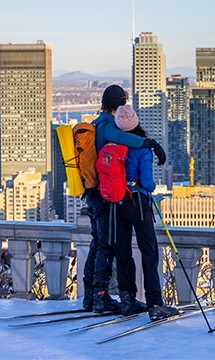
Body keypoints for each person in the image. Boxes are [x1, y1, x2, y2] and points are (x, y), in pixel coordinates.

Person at [82, 85, 167, 313]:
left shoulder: (95, 123)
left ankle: (92, 295)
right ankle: (101, 297)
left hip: (95, 193)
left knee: (99, 244)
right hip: (109, 196)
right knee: (106, 247)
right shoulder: (110, 126)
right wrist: (148, 143)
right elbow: (119, 136)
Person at [112, 104, 179, 321]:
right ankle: (154, 304)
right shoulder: (143, 148)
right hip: (139, 203)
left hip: (117, 203)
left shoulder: (112, 143)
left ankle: (127, 300)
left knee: (123, 253)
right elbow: (148, 183)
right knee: (149, 253)